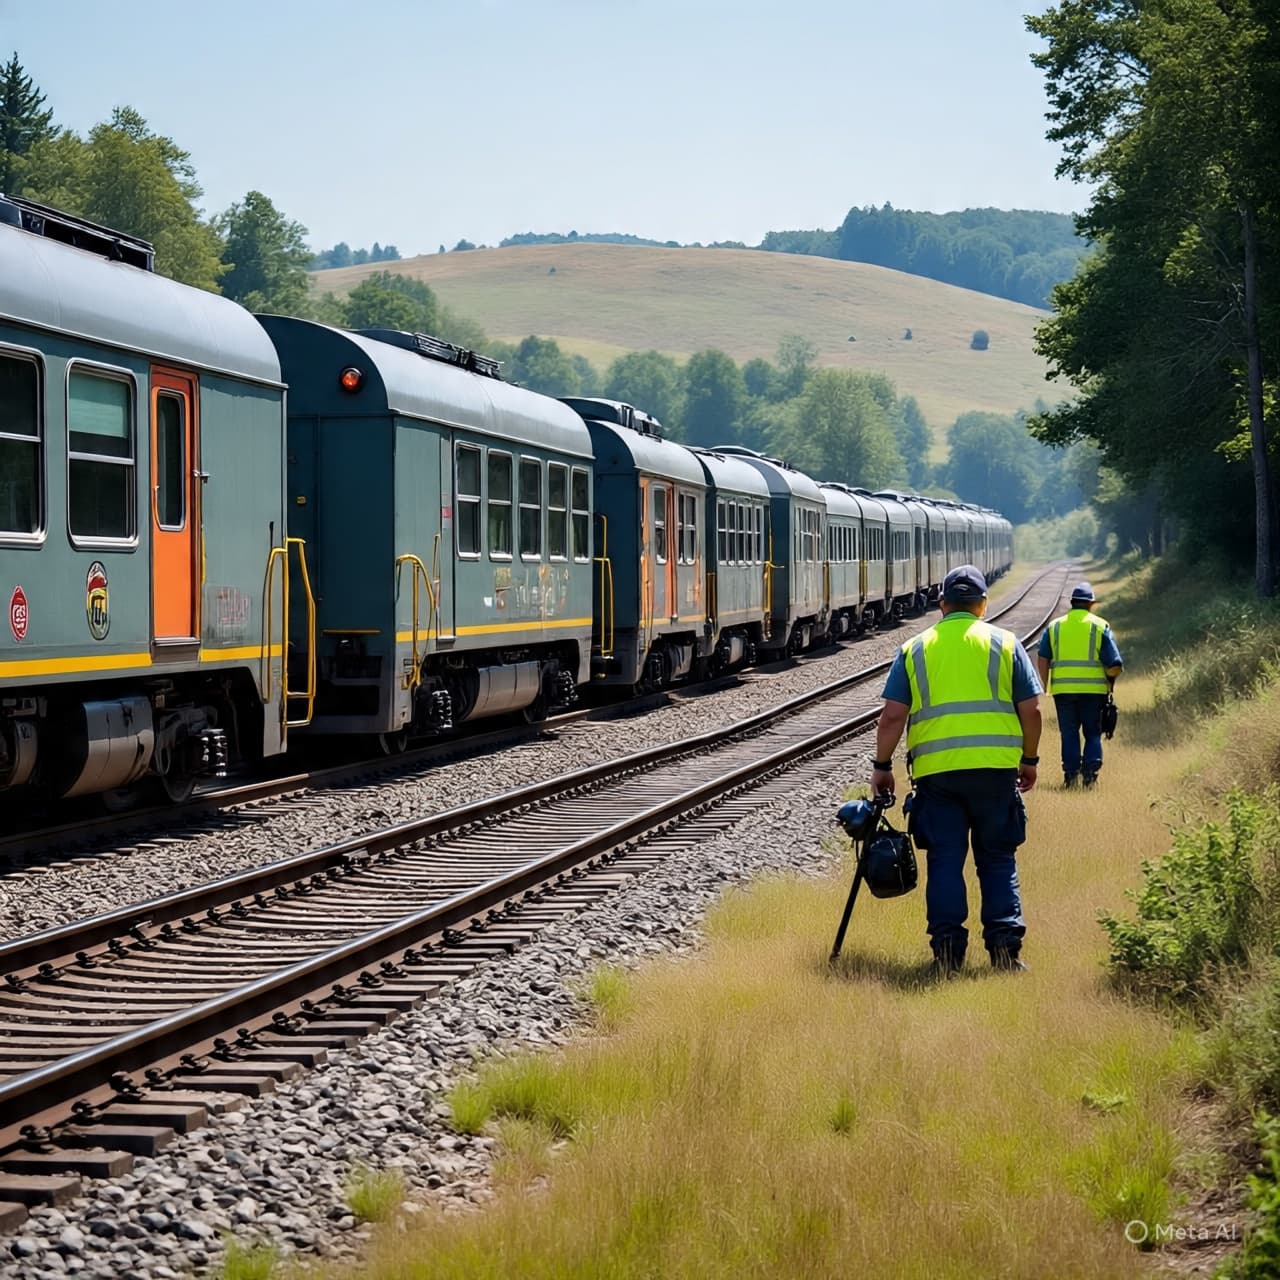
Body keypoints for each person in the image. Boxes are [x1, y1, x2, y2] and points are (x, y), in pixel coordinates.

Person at [869, 564, 1043, 974]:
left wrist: (882, 767)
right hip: (996, 774)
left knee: (945, 861)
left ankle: (947, 955)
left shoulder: (915, 649)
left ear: (942, 604)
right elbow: (1032, 710)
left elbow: (891, 717)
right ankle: (1005, 953)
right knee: (998, 860)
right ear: (983, 605)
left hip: (938, 776)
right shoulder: (1005, 644)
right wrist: (1029, 760)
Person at [1035, 582, 1123, 789]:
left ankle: (1071, 776)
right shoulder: (1100, 626)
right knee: (1092, 733)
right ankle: (1090, 775)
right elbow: (1114, 664)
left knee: (1069, 733)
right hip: (1093, 692)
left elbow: (1042, 658)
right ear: (1091, 604)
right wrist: (1110, 684)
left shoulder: (1055, 626)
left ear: (1072, 603)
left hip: (1063, 692)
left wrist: (1047, 684)